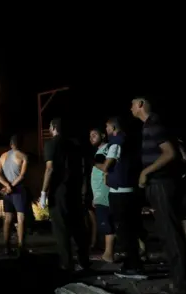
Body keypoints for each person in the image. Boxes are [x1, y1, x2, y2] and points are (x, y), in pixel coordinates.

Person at [131, 97, 186, 294]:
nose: (130, 108)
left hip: (161, 185)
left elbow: (170, 153)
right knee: (169, 234)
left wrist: (145, 172)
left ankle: (181, 288)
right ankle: (178, 282)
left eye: (132, 103)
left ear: (141, 104)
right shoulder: (150, 125)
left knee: (171, 235)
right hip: (159, 185)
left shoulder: (154, 125)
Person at [40, 118, 90, 272]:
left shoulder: (51, 144)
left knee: (61, 229)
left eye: (49, 126)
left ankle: (67, 264)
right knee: (78, 228)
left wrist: (43, 192)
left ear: (54, 127)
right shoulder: (75, 144)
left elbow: (50, 169)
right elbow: (83, 167)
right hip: (74, 190)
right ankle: (84, 262)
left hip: (59, 191)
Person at [99, 117, 146, 279]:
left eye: (106, 126)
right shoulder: (129, 141)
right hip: (129, 191)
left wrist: (96, 164)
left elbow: (107, 165)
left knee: (124, 231)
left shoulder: (117, 142)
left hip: (120, 193)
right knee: (129, 229)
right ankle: (132, 263)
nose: (105, 129)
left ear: (113, 126)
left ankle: (134, 266)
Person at [0, 135, 29, 255]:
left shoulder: (2, 156)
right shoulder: (23, 156)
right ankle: (21, 248)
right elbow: (22, 176)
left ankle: (6, 247)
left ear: (11, 144)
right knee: (21, 219)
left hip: (7, 192)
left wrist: (6, 185)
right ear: (21, 144)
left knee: (8, 219)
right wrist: (12, 186)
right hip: (18, 190)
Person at [88, 127, 116, 263]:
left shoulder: (107, 150)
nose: (91, 137)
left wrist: (102, 191)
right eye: (90, 136)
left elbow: (107, 170)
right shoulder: (100, 151)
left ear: (103, 135)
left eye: (94, 134)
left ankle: (108, 254)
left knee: (107, 223)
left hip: (105, 193)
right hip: (99, 194)